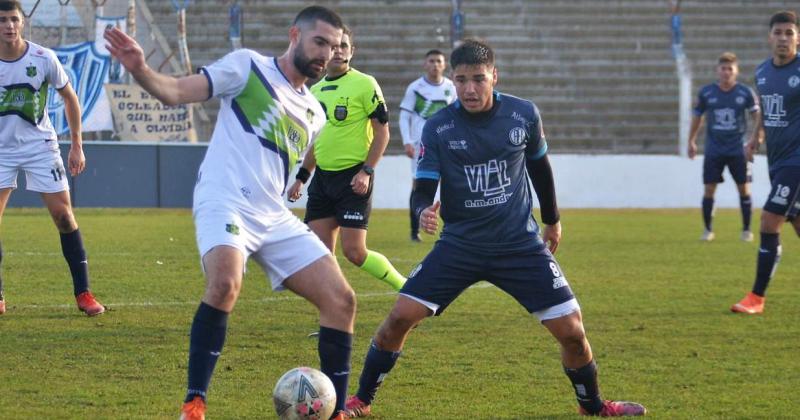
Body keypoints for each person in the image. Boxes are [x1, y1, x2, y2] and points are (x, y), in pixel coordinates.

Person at [343, 39, 646, 417]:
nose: (470, 89)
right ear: (452, 80)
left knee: (572, 331)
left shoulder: (523, 115)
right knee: (399, 319)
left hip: (519, 245)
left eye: (479, 79)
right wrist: (422, 211)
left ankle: (593, 405)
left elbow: (540, 169)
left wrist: (552, 220)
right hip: (460, 246)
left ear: (494, 77)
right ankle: (361, 402)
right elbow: (421, 190)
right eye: (462, 80)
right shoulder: (438, 128)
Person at [105, 6, 355, 420]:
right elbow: (177, 92)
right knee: (225, 283)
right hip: (224, 199)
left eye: (334, 47)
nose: (326, 53)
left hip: (272, 213)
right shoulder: (248, 68)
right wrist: (141, 70)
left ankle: (338, 410)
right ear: (295, 35)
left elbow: (290, 163)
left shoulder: (315, 113)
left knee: (342, 300)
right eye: (320, 42)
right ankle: (194, 402)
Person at [0, 0, 104, 317]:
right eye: (2, 20)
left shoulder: (43, 57)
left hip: (40, 146)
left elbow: (69, 97)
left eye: (14, 19)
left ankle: (84, 294)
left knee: (64, 217)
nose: (9, 26)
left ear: (23, 22)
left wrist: (76, 145)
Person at [287, 26, 405, 291]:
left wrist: (366, 172)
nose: (338, 50)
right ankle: (334, 318)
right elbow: (316, 142)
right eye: (334, 46)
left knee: (355, 253)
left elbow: (382, 133)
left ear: (352, 51)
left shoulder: (365, 84)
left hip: (353, 179)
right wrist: (302, 178)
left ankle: (406, 287)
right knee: (319, 256)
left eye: (344, 46)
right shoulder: (314, 92)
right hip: (323, 180)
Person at [731, 10, 800, 314]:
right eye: (778, 33)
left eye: (789, 33)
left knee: (769, 220)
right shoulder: (762, 72)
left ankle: (756, 297)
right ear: (769, 37)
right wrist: (754, 137)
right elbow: (764, 112)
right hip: (777, 160)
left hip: (796, 162)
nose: (783, 38)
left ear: (797, 37)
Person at [688, 52, 761, 242]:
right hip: (714, 150)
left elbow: (757, 117)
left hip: (738, 150)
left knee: (744, 189)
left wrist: (756, 138)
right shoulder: (706, 93)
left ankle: (746, 230)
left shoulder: (745, 93)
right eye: (723, 68)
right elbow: (698, 117)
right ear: (717, 71)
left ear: (736, 71)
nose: (726, 72)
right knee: (709, 189)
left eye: (730, 69)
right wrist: (691, 140)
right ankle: (708, 230)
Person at [398, 49, 456, 242]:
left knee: (451, 184)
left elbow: (457, 116)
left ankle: (451, 228)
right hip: (420, 145)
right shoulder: (415, 88)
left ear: (444, 64)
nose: (435, 65)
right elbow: (404, 116)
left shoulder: (451, 87)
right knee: (418, 186)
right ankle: (415, 231)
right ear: (425, 64)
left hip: (447, 144)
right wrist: (407, 141)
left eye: (439, 61)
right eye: (431, 61)